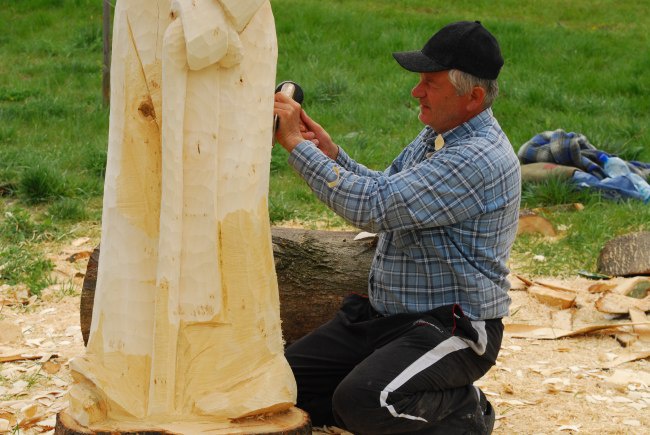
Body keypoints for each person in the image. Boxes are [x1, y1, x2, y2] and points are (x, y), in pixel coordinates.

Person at [273, 20, 521, 434]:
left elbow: (374, 207)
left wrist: (295, 146)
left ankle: (465, 412)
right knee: (277, 386)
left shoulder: (478, 157)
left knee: (364, 402)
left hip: (452, 326)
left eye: (429, 82)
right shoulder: (438, 135)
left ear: (472, 96)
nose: (416, 91)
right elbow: (387, 187)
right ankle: (384, 389)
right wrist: (328, 153)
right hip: (385, 318)